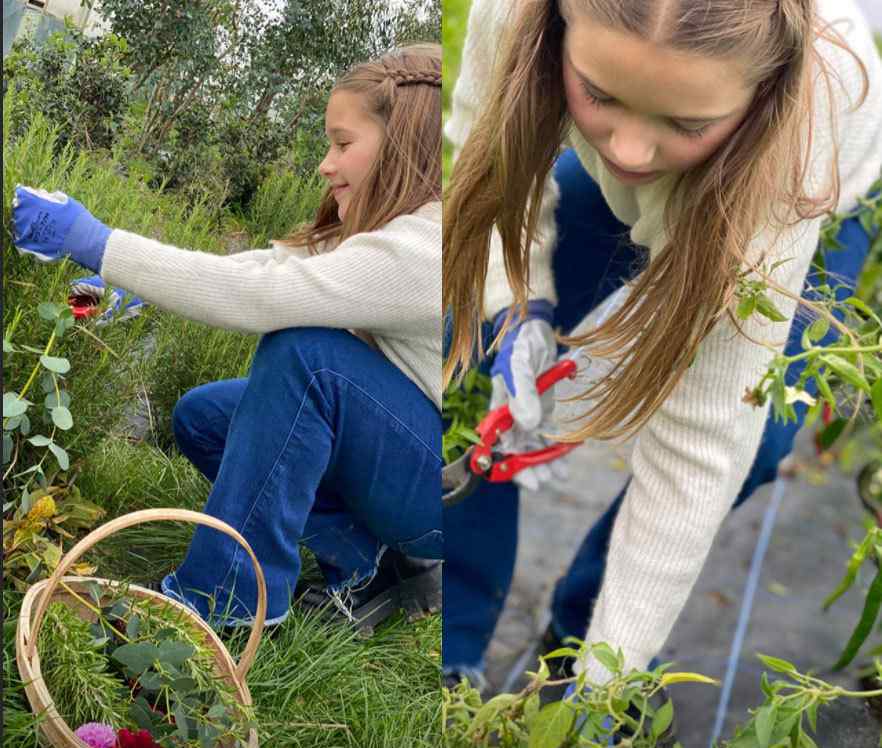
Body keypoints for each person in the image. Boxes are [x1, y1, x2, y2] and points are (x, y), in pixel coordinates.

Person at [442, 0, 882, 715]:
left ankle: (582, 642)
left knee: (758, 438)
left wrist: (603, 689)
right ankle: (452, 636)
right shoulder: (516, 12)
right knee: (466, 344)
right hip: (710, 138)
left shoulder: (806, 119)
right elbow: (491, 172)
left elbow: (701, 442)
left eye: (683, 123)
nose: (631, 153)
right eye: (600, 93)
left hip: (804, 191)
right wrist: (516, 304)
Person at [12, 43, 443, 634]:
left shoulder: (428, 247)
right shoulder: (378, 229)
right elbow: (263, 271)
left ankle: (221, 605)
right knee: (205, 417)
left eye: (343, 144)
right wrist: (125, 283)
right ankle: (368, 561)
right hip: (416, 457)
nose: (325, 163)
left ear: (404, 148)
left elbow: (262, 300)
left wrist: (95, 240)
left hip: (452, 496)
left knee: (306, 360)